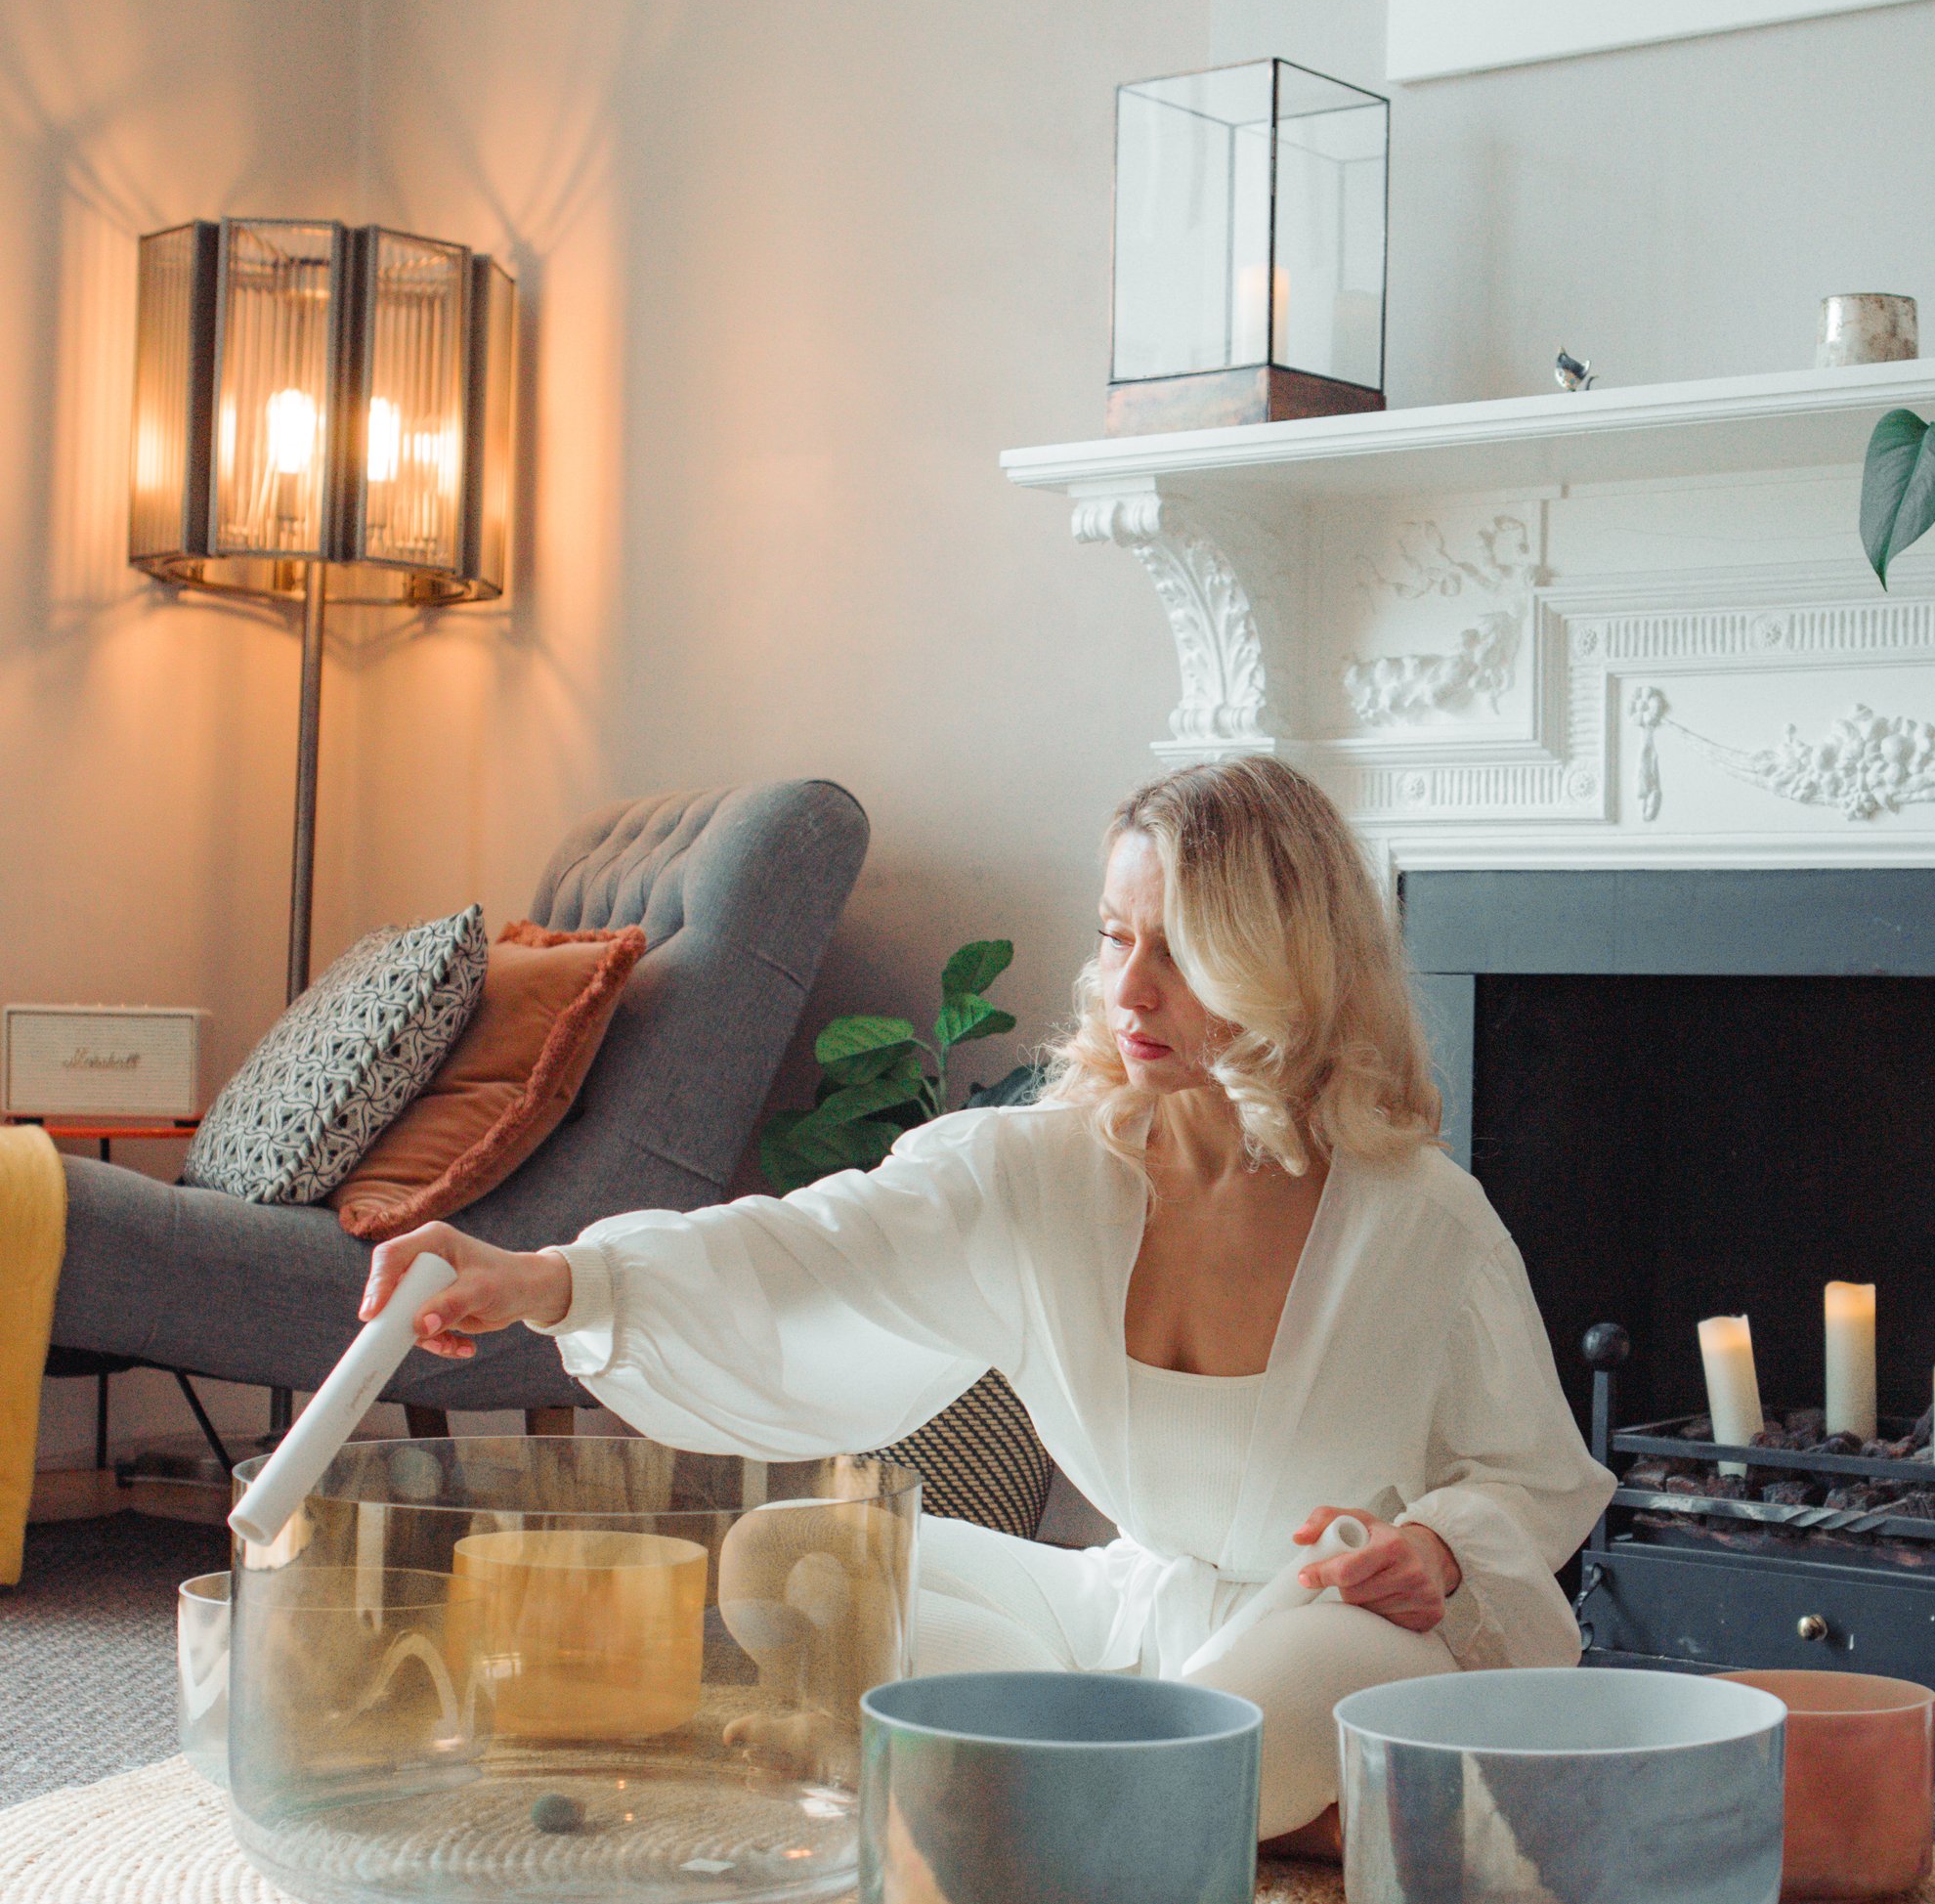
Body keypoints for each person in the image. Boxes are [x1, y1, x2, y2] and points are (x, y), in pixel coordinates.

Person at [360, 758, 1613, 1842]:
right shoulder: (1041, 1168)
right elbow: (810, 1248)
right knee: (785, 1557)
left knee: (1278, 1699)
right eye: (1117, 935)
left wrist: (1436, 1548)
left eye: (1179, 950)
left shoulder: (1419, 1219)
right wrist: (547, 1279)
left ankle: (1099, 1783)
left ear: (1285, 964)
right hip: (1126, 1614)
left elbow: (1533, 1477)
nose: (1129, 990)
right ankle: (1252, 1813)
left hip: (1333, 1633)